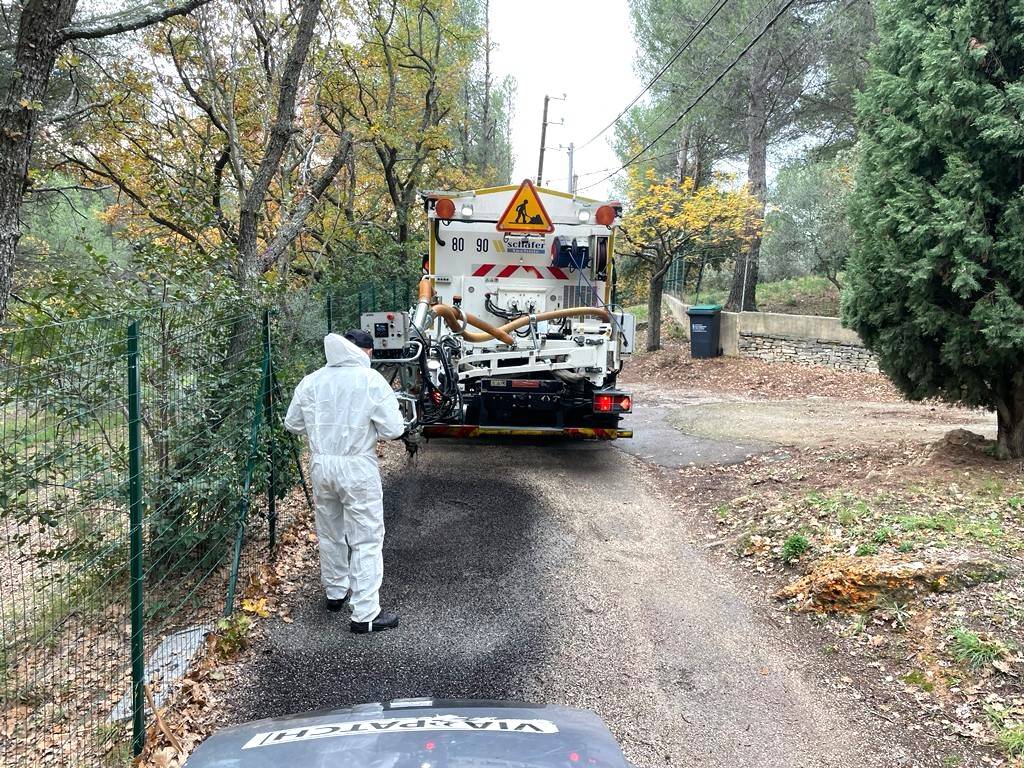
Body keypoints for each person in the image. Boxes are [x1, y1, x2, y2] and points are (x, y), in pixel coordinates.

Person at [284, 329, 406, 633]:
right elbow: (393, 429)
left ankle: (335, 592)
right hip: (356, 467)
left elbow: (292, 423)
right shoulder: (370, 381)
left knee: (330, 531)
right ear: (366, 352)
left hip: (321, 464)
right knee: (365, 538)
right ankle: (365, 614)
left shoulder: (312, 380)